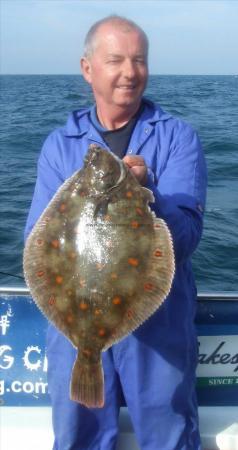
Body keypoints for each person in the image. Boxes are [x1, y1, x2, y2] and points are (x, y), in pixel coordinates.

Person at [25, 15, 207, 450]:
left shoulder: (178, 138)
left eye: (139, 60)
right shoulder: (59, 144)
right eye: (116, 60)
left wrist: (149, 193)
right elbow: (38, 239)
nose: (130, 71)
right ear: (88, 68)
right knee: (78, 438)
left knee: (169, 438)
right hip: (76, 334)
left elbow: (186, 238)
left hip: (158, 325)